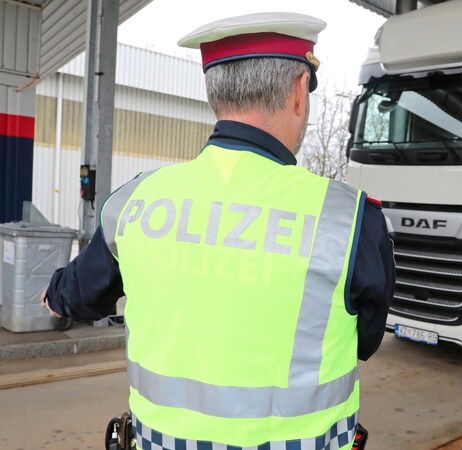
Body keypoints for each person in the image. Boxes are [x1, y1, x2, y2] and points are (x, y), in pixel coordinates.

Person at [41, 13, 395, 450]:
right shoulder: (349, 218)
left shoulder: (137, 201)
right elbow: (364, 340)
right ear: (300, 91)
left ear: (216, 94)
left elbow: (79, 294)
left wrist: (53, 293)